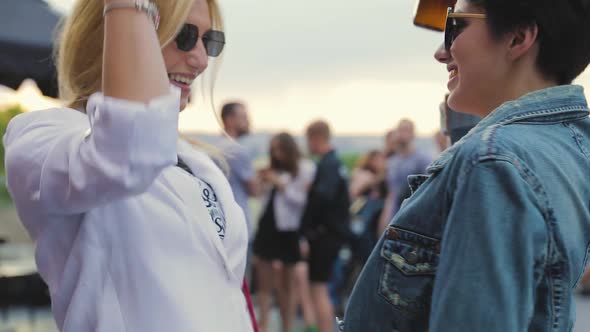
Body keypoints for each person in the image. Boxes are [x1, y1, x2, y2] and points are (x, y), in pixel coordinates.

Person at [3, 1, 254, 331]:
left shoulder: (197, 161)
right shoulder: (41, 138)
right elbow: (128, 151)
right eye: (184, 35)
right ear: (115, 27)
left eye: (210, 41)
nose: (201, 60)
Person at [343, 0, 590, 331]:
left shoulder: (493, 162)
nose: (441, 53)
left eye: (454, 26)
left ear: (518, 39)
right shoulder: (568, 145)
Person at [252, 132, 316, 332]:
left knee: (288, 284)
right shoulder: (272, 168)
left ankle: (286, 326)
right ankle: (262, 325)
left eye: (280, 149)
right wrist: (262, 181)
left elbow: (301, 201)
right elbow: (258, 196)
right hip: (267, 226)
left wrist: (280, 183)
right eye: (273, 150)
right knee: (264, 282)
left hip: (289, 229)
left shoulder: (305, 168)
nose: (277, 154)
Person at [300, 120, 350, 332]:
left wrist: (305, 228)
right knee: (320, 287)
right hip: (333, 234)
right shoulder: (336, 164)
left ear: (316, 138)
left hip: (324, 235)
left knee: (319, 288)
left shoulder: (327, 165)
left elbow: (323, 198)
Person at [379, 119, 431, 232]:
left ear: (413, 133)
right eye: (401, 130)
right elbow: (391, 193)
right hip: (394, 215)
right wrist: (385, 218)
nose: (403, 134)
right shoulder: (392, 161)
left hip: (413, 217)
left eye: (406, 130)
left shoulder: (422, 160)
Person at [219, 101, 259, 238]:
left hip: (222, 220)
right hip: (240, 223)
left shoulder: (214, 146)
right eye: (243, 117)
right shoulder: (237, 150)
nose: (248, 121)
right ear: (229, 120)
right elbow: (254, 191)